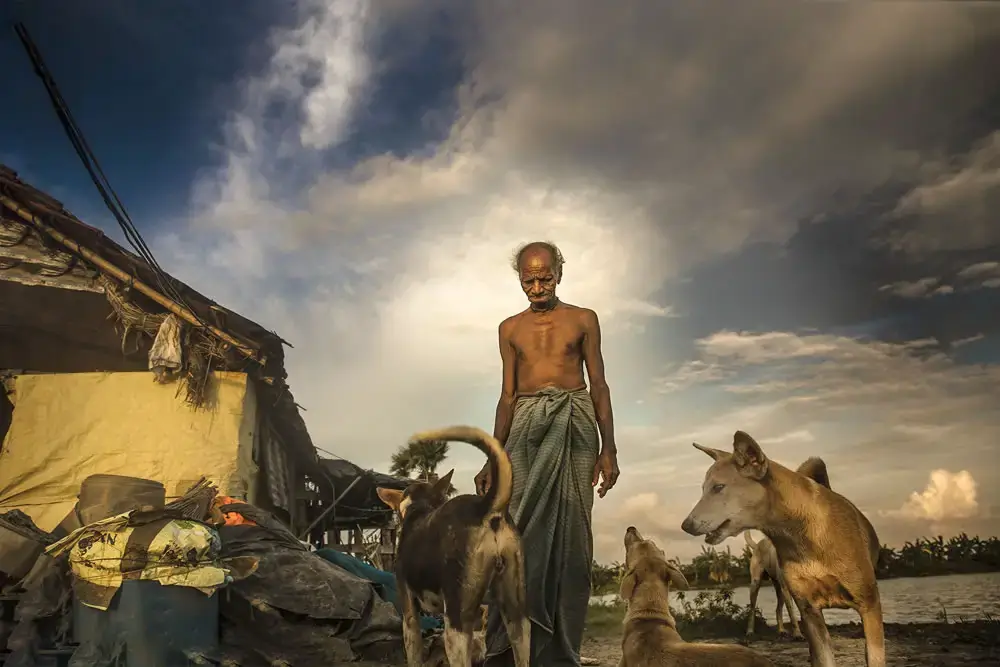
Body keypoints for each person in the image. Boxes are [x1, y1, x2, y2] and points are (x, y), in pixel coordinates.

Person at [476, 241, 620, 667]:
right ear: (519, 279)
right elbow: (506, 396)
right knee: (516, 530)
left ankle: (560, 653)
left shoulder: (584, 319)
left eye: (545, 277)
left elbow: (599, 385)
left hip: (574, 422)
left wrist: (608, 448)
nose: (537, 287)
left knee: (573, 537)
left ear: (559, 273)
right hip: (524, 424)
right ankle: (509, 648)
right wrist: (491, 456)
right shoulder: (508, 329)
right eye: (528, 280)